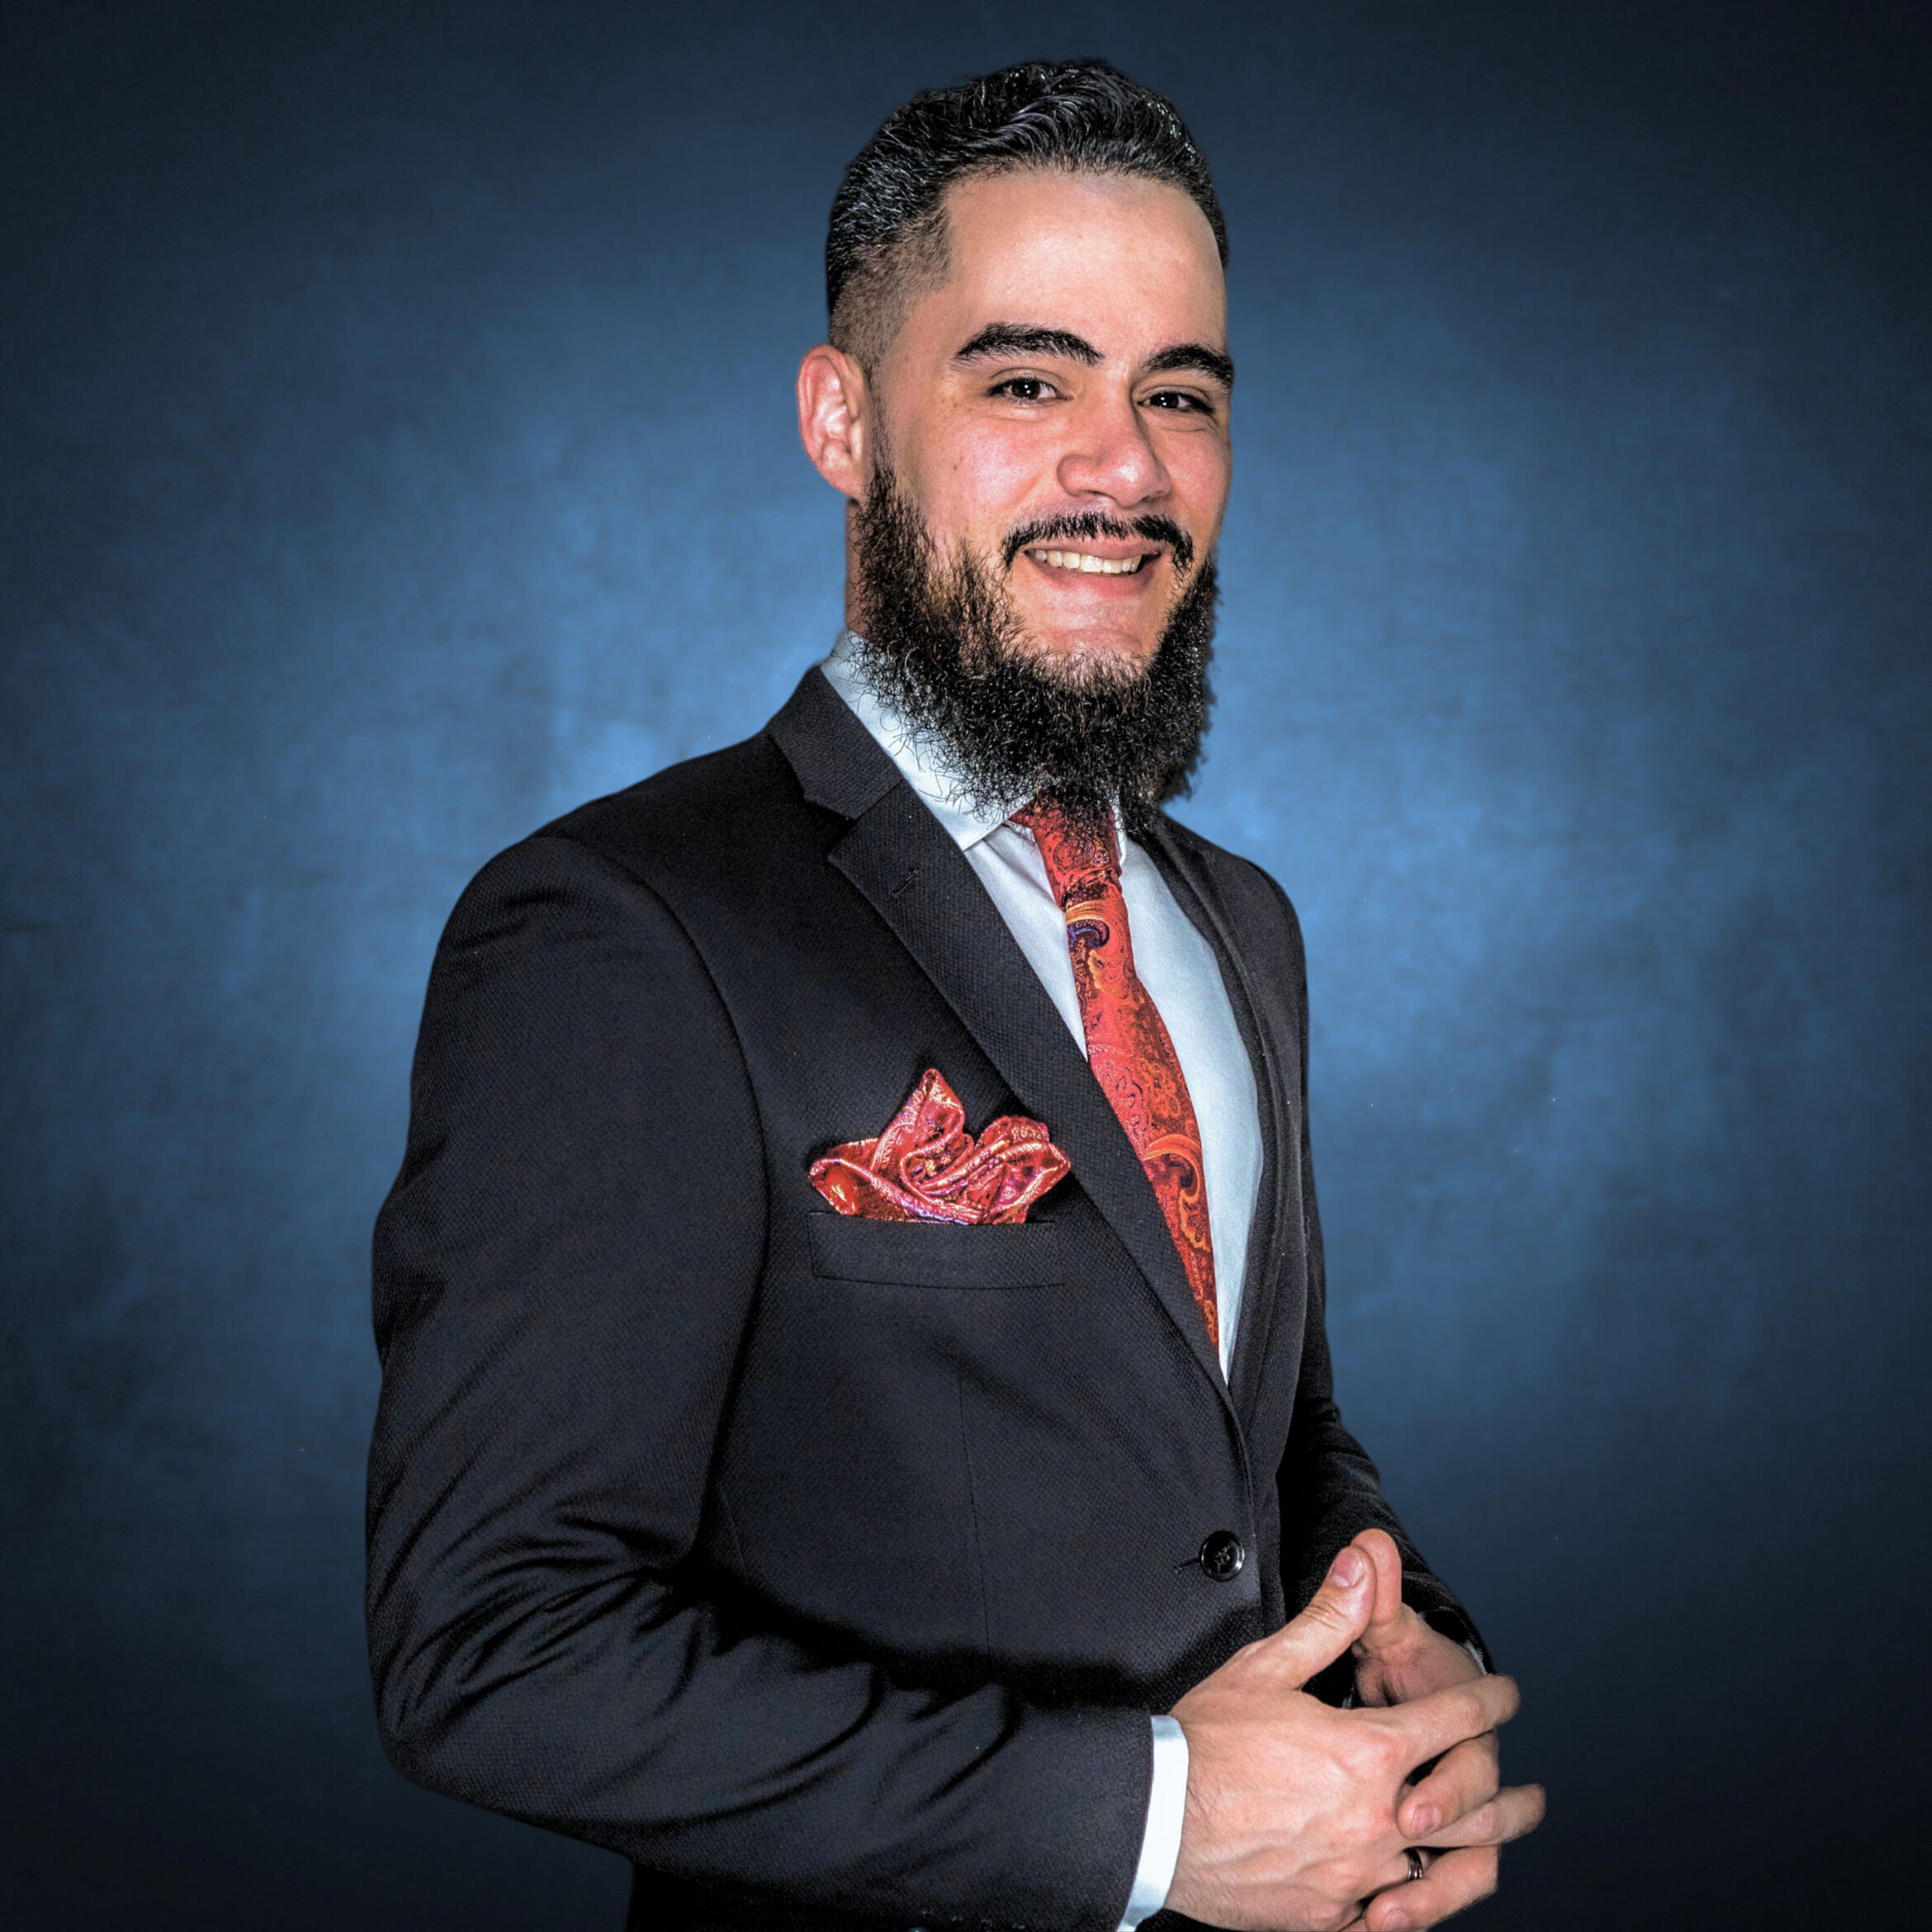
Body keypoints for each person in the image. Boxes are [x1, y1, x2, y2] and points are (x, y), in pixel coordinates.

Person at [365, 59, 1544, 1932]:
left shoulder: (1241, 924)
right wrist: (1153, 1822)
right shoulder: (622, 926)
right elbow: (496, 1649)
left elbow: (1253, 1437)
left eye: (1181, 393)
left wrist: (1398, 1644)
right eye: (1027, 382)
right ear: (843, 420)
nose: (1125, 468)